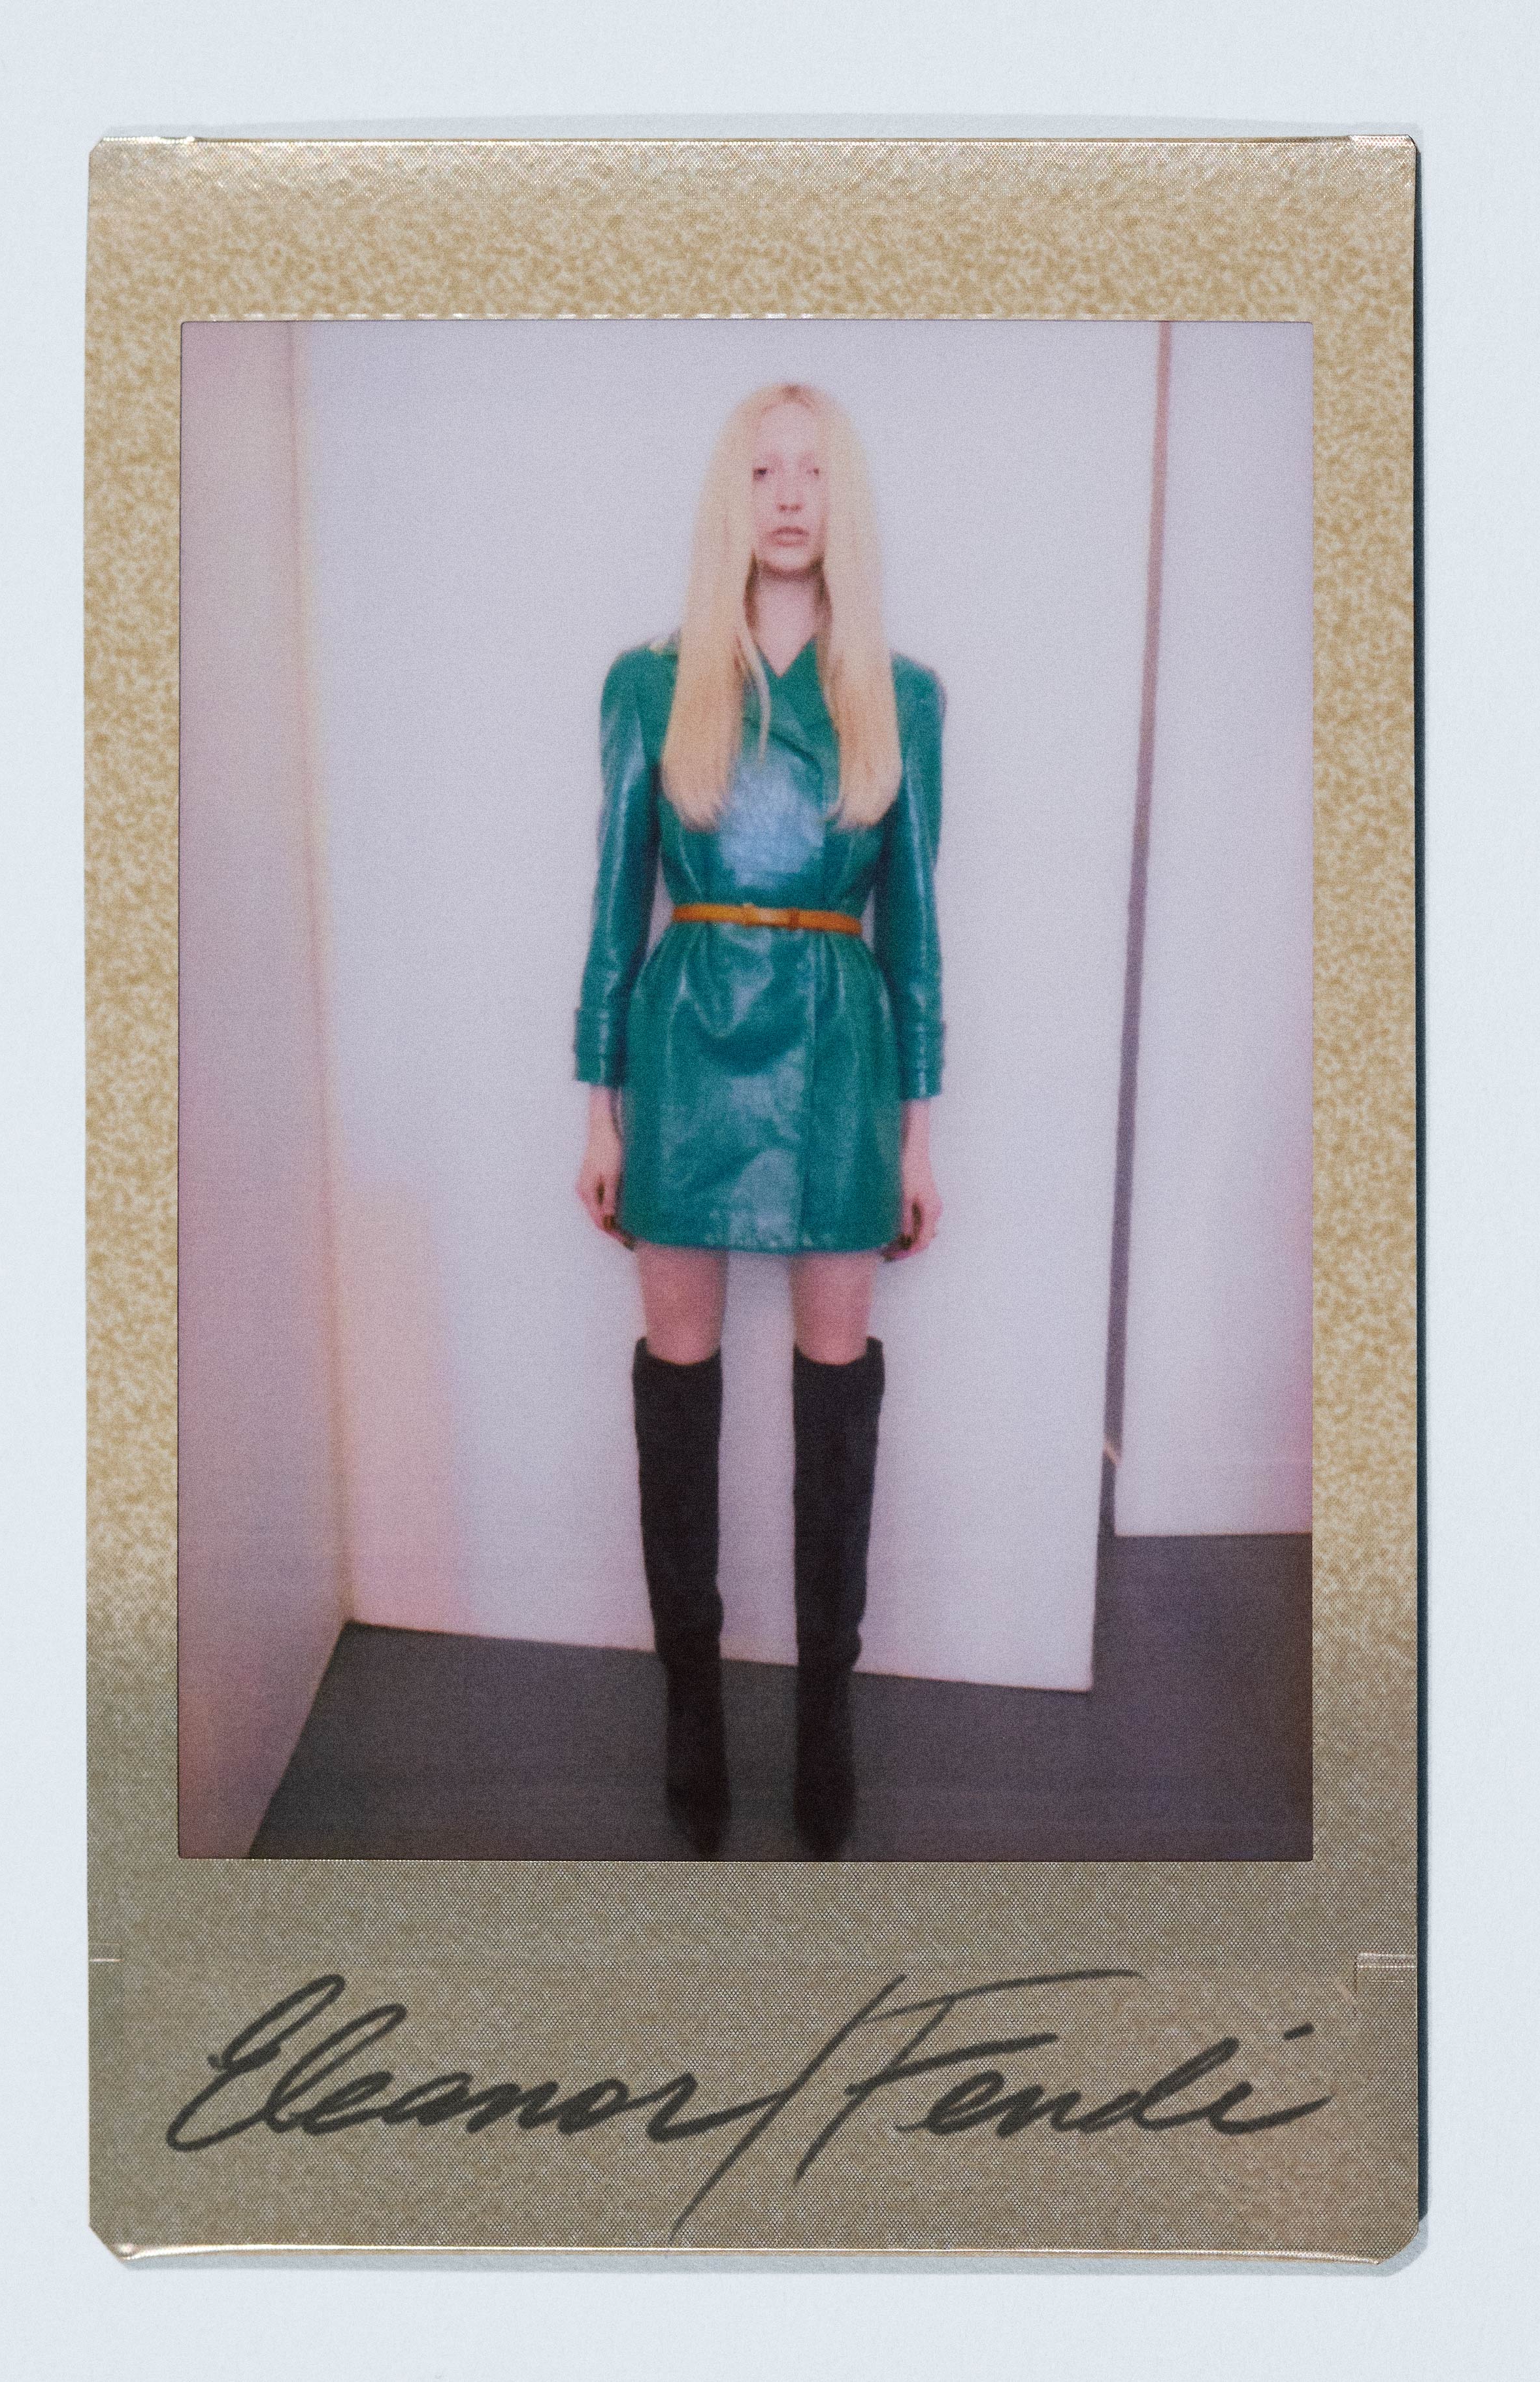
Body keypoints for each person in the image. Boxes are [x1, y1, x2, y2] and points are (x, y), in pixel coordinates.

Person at [574, 381, 945, 1859]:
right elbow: (613, 910)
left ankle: (824, 1714)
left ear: (840, 502)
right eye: (762, 470)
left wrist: (918, 1134)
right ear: (731, 498)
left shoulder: (901, 696)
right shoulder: (649, 683)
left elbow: (917, 930)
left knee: (836, 1396)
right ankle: (692, 1707)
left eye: (813, 471)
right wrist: (600, 1111)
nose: (789, 495)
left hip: (842, 1059)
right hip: (685, 1054)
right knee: (679, 1392)